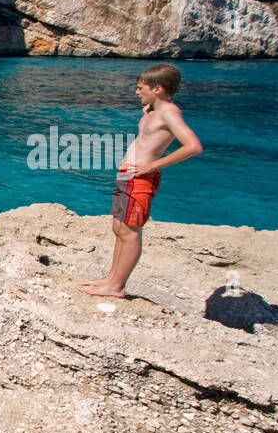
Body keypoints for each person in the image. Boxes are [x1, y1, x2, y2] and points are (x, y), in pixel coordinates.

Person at [79, 64, 202, 298]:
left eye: (140, 88)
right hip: (128, 176)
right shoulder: (152, 110)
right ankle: (111, 278)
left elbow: (193, 146)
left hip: (140, 178)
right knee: (119, 228)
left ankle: (116, 287)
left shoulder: (169, 112)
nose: (136, 92)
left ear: (157, 88)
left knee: (130, 232)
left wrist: (151, 165)